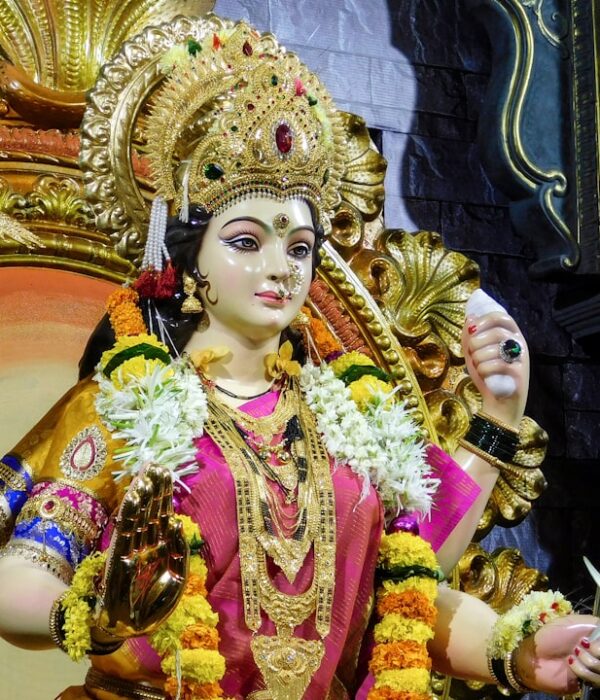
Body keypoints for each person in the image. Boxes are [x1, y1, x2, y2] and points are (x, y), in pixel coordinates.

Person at [0, 14, 598, 700]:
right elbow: (23, 574)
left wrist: (515, 650)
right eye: (246, 241)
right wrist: (94, 616)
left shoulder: (350, 420)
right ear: (188, 258)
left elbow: (406, 592)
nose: (281, 267)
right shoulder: (125, 407)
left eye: (301, 248)